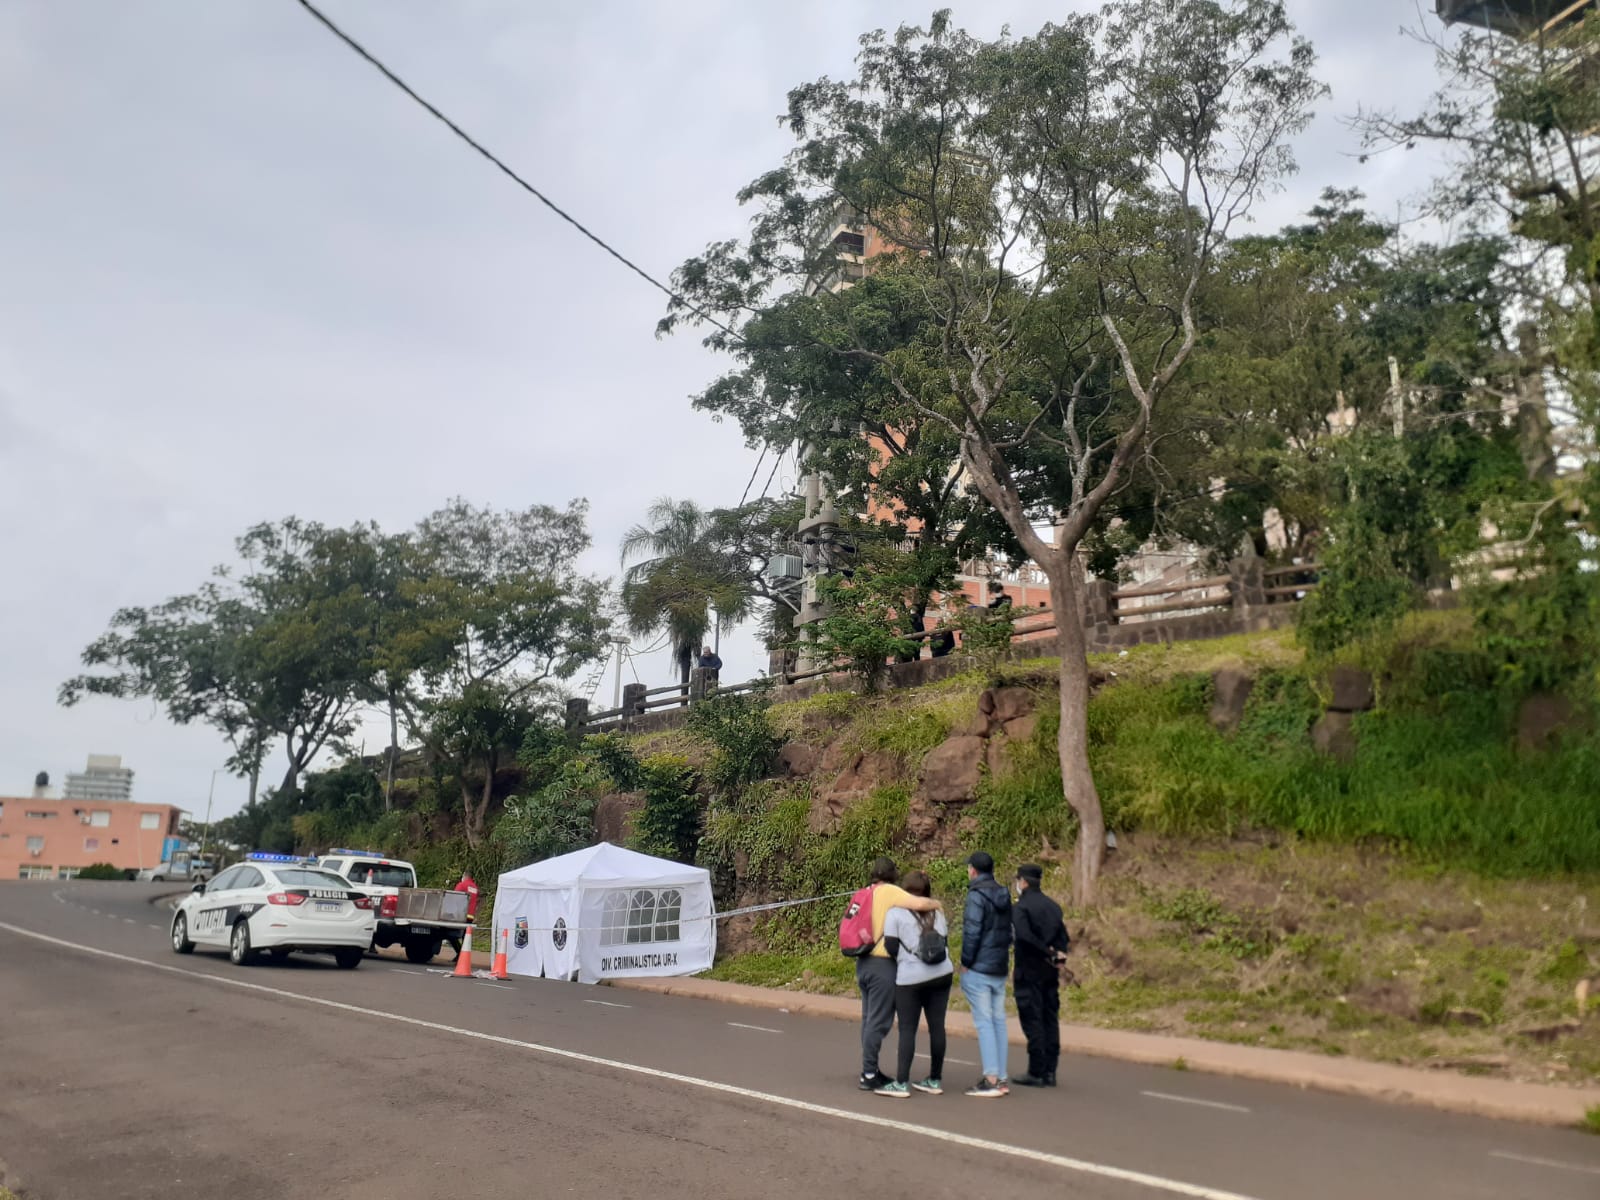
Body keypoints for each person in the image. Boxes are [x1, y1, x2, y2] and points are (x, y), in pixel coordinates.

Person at [856, 857, 941, 1091]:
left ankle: (869, 1068)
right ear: (893, 874)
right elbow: (920, 904)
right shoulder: (890, 891)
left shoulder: (866, 892)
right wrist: (937, 904)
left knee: (868, 1020)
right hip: (882, 965)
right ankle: (869, 1073)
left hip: (863, 962)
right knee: (879, 1022)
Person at [878, 869, 953, 1099]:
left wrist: (904, 957)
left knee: (908, 1029)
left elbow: (890, 946)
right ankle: (935, 1079)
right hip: (942, 973)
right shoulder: (938, 913)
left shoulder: (896, 913)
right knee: (937, 1026)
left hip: (910, 977)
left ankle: (901, 1083)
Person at [1010, 863, 1069, 1087]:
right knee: (1049, 1018)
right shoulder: (1053, 906)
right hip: (1049, 971)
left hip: (1028, 970)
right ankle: (1050, 1071)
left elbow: (1024, 936)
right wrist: (1058, 955)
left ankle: (1036, 1071)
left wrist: (1044, 951)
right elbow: (1063, 937)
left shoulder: (1021, 908)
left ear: (1022, 882)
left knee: (1032, 1020)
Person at [960, 850, 1013, 1097]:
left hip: (980, 967)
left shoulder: (976, 895)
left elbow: (972, 931)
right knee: (998, 1021)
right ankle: (1001, 1078)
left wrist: (966, 962)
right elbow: (1010, 932)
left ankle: (990, 1079)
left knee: (984, 1022)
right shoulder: (1004, 894)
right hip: (1000, 966)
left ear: (973, 870)